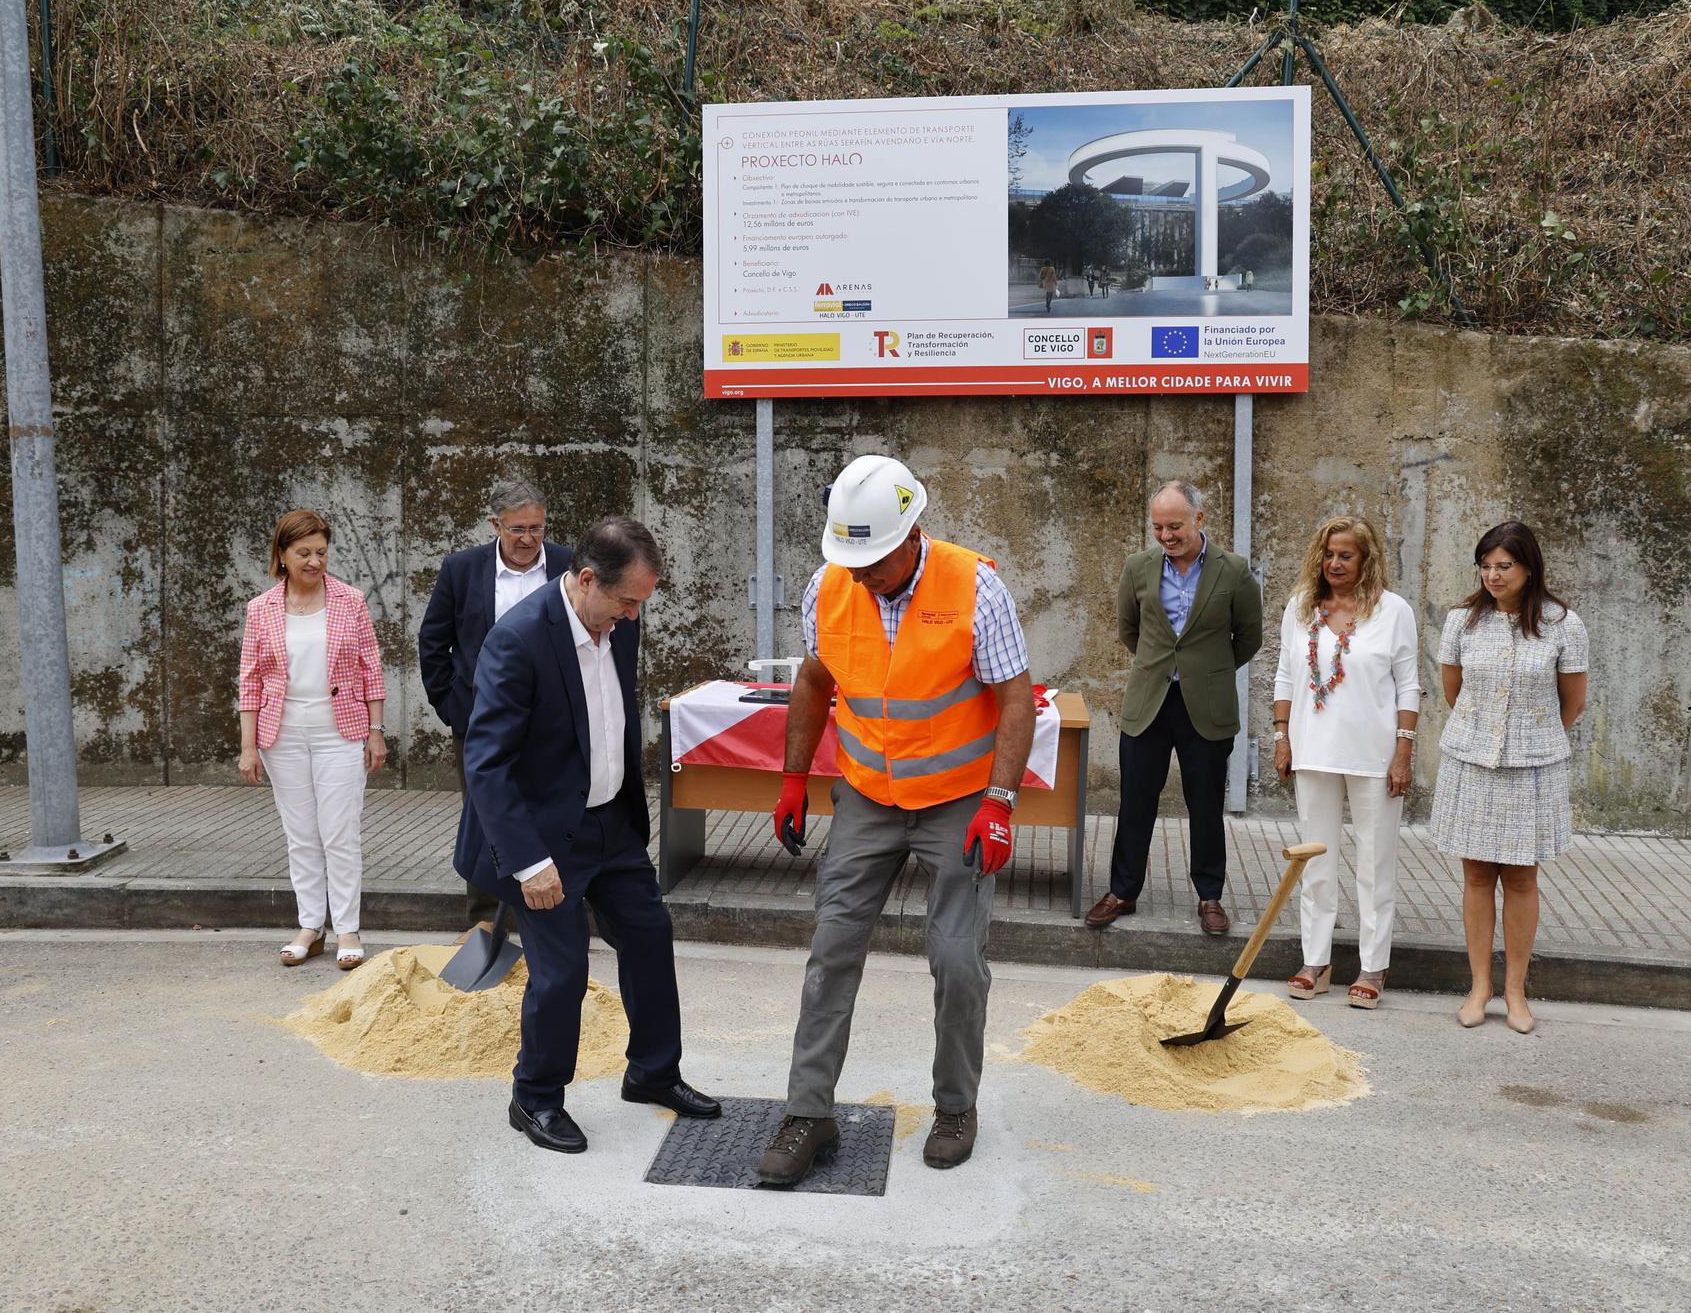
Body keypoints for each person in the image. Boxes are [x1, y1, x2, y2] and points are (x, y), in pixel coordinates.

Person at [758, 455, 1034, 1184]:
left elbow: (1014, 695)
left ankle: (955, 1105)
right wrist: (793, 779)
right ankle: (809, 1111)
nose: (861, 575)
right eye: (852, 560)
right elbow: (816, 681)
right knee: (832, 950)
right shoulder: (831, 585)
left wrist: (1000, 801)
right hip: (867, 798)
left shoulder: (976, 586)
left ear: (912, 533)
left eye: (874, 561)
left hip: (958, 804)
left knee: (955, 959)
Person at [462, 516, 717, 1154]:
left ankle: (652, 1073)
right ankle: (535, 1098)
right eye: (626, 600)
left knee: (651, 940)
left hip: (611, 826)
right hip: (542, 840)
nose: (634, 616)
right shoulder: (518, 640)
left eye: (641, 603)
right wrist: (527, 862)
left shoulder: (614, 626)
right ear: (583, 580)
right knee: (563, 972)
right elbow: (486, 763)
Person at [1432, 521, 1588, 1035]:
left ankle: (1516, 991)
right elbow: (1455, 693)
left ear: (1528, 568)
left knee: (1521, 877)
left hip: (1534, 767)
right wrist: (1485, 734)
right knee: (1476, 875)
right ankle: (1479, 987)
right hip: (1471, 762)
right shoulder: (1462, 621)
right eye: (1486, 566)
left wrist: (1530, 736)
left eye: (1505, 566)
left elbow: (1573, 701)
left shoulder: (1563, 624)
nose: (1494, 575)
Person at [1087, 482, 1262, 935]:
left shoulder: (1235, 571)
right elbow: (1130, 629)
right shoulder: (1138, 568)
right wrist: (1161, 667)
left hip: (1206, 706)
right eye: (1158, 527)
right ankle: (1122, 891)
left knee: (1204, 805)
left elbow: (1248, 637)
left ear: (1199, 520)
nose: (1165, 536)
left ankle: (1210, 896)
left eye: (1175, 526)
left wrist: (1207, 672)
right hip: (1149, 702)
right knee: (1135, 802)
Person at [1271, 516, 1420, 1009]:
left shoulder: (1392, 611)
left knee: (1375, 864)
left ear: (1366, 559)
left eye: (1347, 555)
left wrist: (1404, 749)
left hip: (1375, 757)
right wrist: (1281, 738)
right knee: (1315, 860)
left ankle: (1373, 967)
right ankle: (1316, 961)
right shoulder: (1301, 608)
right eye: (1329, 554)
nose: (1335, 563)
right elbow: (1286, 677)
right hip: (1312, 752)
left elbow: (1408, 684)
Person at [418, 480, 573, 929]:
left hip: (556, 722)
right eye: (518, 529)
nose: (529, 539)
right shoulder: (462, 569)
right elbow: (433, 642)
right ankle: (485, 919)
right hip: (481, 720)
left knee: (559, 811)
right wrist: (454, 709)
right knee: (487, 816)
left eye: (537, 529)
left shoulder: (567, 565)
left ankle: (555, 913)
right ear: (495, 524)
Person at [237, 510, 388, 970]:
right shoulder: (260, 608)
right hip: (280, 734)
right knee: (300, 835)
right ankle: (309, 925)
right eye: (303, 553)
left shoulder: (350, 600)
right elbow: (250, 680)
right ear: (281, 555)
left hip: (340, 731)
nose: (314, 561)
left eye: (321, 552)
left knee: (340, 832)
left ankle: (348, 928)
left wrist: (375, 731)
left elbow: (371, 669)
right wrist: (248, 747)